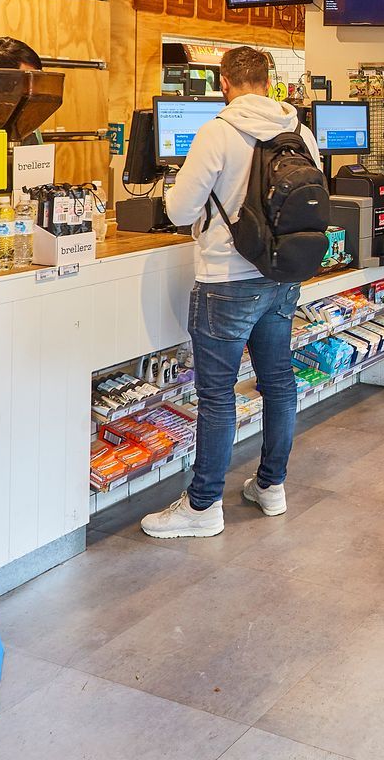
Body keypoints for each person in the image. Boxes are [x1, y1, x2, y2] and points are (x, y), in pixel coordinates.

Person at [141, 45, 319, 539]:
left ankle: (203, 507)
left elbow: (179, 211)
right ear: (270, 81)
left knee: (216, 396)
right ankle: (271, 486)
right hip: (281, 276)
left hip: (225, 281)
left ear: (225, 81)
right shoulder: (300, 131)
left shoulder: (217, 132)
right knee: (279, 381)